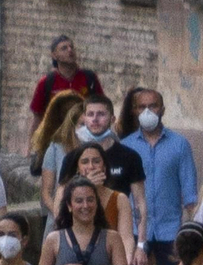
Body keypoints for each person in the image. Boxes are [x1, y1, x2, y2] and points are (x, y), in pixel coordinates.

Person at [121, 88, 200, 265]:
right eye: (142, 107)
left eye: (153, 106)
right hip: (137, 232)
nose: (148, 111)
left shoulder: (180, 145)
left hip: (170, 230)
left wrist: (187, 231)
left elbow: (190, 194)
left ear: (162, 109)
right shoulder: (125, 146)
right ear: (134, 111)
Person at [57, 95, 147, 252]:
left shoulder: (129, 156)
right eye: (90, 114)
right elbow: (60, 199)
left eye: (101, 114)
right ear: (84, 118)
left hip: (118, 231)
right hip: (79, 236)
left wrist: (140, 244)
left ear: (112, 118)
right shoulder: (72, 158)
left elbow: (140, 202)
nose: (95, 119)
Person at [29, 34, 104, 130]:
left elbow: (103, 108)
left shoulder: (90, 78)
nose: (70, 50)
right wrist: (33, 144)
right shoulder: (46, 82)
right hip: (55, 137)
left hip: (85, 137)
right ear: (54, 55)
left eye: (71, 47)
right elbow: (37, 117)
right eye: (64, 48)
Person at [35, 91, 87, 222]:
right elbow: (46, 192)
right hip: (60, 217)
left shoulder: (97, 149)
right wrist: (58, 214)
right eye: (82, 125)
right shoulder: (55, 149)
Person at [61, 142, 134, 236]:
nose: (91, 167)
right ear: (78, 168)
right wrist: (87, 185)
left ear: (104, 167)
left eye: (96, 161)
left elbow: (126, 238)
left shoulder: (120, 199)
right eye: (85, 162)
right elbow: (62, 225)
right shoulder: (64, 193)